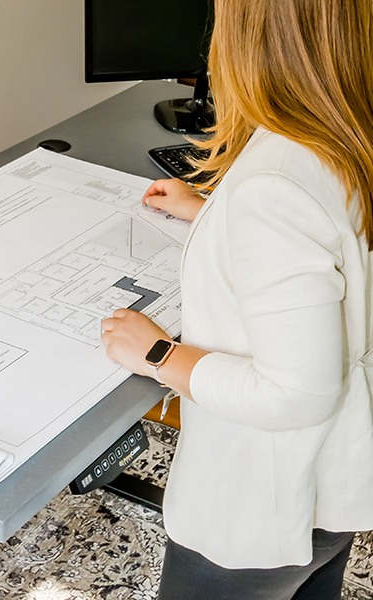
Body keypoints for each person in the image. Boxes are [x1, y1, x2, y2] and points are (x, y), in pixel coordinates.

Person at [99, 0, 373, 598]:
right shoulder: (345, 130)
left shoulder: (273, 185)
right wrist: (215, 213)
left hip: (262, 505)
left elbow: (295, 394)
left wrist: (157, 353)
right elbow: (331, 246)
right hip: (333, 484)